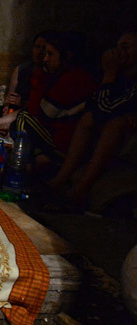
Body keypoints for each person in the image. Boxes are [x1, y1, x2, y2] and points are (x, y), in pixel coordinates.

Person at [46, 32, 137, 207]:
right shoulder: (123, 76)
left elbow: (107, 109)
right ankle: (61, 178)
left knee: (115, 124)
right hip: (110, 117)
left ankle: (81, 189)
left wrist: (109, 76)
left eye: (125, 48)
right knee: (88, 118)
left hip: (119, 125)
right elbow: (94, 106)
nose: (119, 54)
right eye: (117, 48)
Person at [0, 31, 98, 168]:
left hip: (64, 139)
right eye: (38, 48)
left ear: (67, 56)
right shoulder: (26, 70)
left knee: (23, 119)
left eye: (50, 54)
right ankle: (37, 157)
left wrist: (40, 76)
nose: (44, 58)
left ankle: (25, 167)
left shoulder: (71, 78)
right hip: (52, 129)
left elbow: (37, 111)